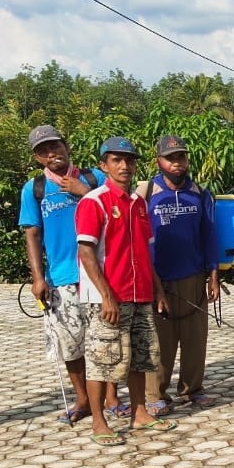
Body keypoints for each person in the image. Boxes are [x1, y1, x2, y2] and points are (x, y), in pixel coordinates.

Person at [76, 137, 176, 445]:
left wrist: (157, 290)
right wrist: (107, 295)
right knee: (101, 360)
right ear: (103, 165)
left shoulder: (138, 203)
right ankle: (98, 421)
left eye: (129, 160)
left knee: (141, 358)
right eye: (116, 160)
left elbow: (146, 253)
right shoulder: (94, 202)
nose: (124, 166)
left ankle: (140, 413)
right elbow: (86, 252)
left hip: (141, 293)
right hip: (108, 299)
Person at [17, 124, 110, 424]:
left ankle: (112, 397)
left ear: (66, 145)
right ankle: (83, 399)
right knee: (70, 343)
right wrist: (37, 277)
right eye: (43, 151)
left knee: (105, 338)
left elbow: (117, 210)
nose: (51, 154)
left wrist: (86, 192)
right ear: (37, 157)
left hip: (98, 273)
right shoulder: (35, 189)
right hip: (61, 276)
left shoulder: (96, 178)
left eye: (55, 146)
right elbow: (32, 233)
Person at [138, 135, 219, 414]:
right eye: (170, 158)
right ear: (158, 160)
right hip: (157, 278)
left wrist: (213, 275)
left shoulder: (199, 193)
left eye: (181, 157)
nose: (177, 163)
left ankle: (192, 389)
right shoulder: (145, 193)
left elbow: (209, 235)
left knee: (195, 338)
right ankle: (155, 395)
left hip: (193, 275)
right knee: (160, 341)